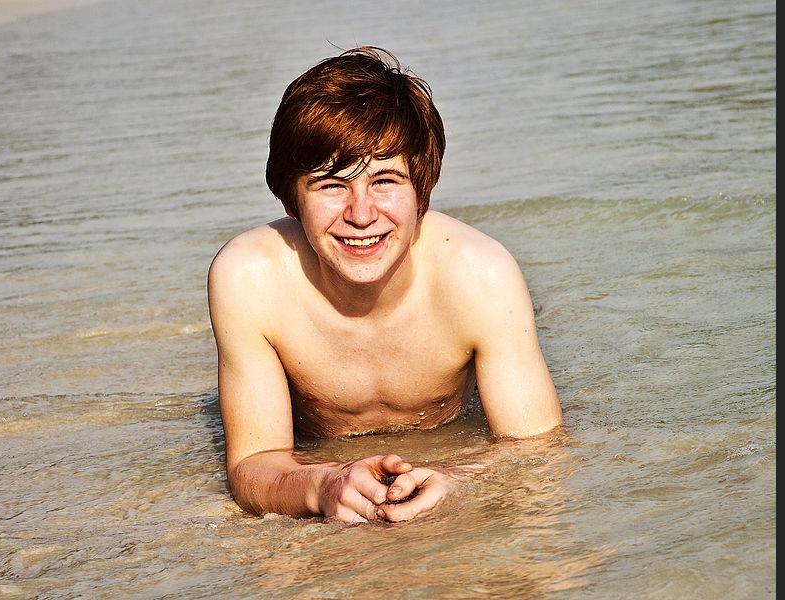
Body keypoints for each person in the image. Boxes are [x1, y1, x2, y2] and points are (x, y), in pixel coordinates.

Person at [207, 46, 563, 524]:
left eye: (385, 181)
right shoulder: (249, 278)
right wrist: (323, 484)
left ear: (422, 192)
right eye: (330, 184)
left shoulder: (481, 275)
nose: (361, 214)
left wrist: (458, 478)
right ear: (291, 201)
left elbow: (538, 449)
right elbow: (254, 465)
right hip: (322, 450)